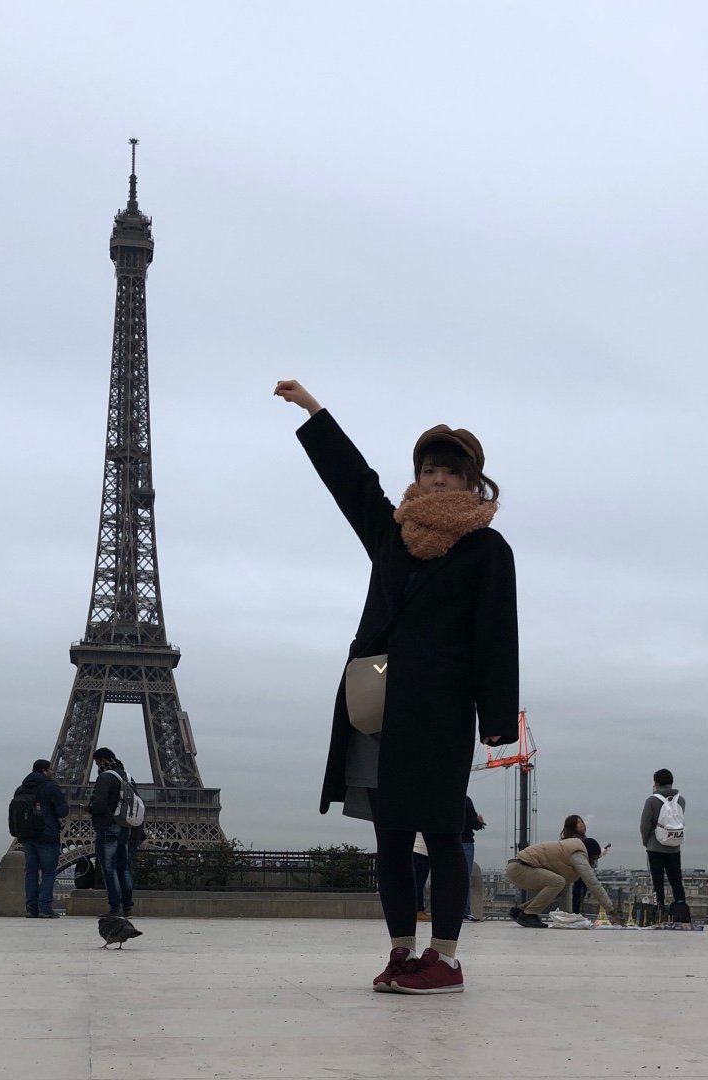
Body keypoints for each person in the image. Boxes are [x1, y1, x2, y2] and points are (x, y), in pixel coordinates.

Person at [275, 381, 519, 995]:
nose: (436, 480)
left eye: (449, 472)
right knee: (389, 841)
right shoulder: (392, 535)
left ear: (471, 481)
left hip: (439, 710)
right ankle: (401, 953)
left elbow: (497, 634)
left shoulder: (487, 549)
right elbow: (352, 483)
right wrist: (314, 411)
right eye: (428, 470)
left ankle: (447, 959)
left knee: (442, 834)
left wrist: (497, 718)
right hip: (377, 705)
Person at [505, 837, 617, 926]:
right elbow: (593, 883)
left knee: (559, 887)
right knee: (557, 882)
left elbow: (565, 892)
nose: (592, 863)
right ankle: (528, 914)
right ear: (589, 854)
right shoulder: (578, 855)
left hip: (518, 867)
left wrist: (569, 917)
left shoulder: (570, 852)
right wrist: (610, 909)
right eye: (593, 859)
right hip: (520, 868)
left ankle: (521, 911)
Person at [15, 759, 69, 918]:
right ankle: (45, 907)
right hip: (47, 834)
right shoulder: (50, 787)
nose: (53, 772)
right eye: (51, 769)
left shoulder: (21, 789)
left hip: (27, 835)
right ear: (45, 770)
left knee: (31, 872)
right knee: (48, 873)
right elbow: (62, 811)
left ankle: (31, 908)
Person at [88, 748, 134, 917]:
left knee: (109, 868)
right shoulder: (128, 777)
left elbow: (99, 805)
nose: (97, 766)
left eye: (97, 763)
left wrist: (90, 808)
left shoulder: (104, 777)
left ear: (102, 760)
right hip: (125, 826)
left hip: (108, 825)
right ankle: (127, 906)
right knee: (124, 868)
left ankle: (116, 907)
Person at [640, 768, 687, 919]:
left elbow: (645, 824)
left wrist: (646, 841)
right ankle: (681, 911)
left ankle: (658, 912)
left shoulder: (652, 800)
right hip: (674, 846)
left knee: (657, 882)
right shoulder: (680, 800)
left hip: (655, 846)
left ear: (656, 783)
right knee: (676, 880)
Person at [461, 796, 485, 921]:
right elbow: (474, 823)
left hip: (446, 842)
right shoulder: (465, 800)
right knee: (464, 877)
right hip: (465, 842)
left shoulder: (442, 798)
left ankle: (446, 910)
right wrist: (479, 822)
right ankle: (464, 911)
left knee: (447, 877)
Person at [560, 815, 588, 913]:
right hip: (577, 875)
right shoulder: (579, 842)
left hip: (573, 874)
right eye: (578, 823)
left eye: (581, 821)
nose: (581, 824)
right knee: (576, 900)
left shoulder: (566, 841)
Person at [412, 835, 430, 923]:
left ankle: (419, 910)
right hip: (419, 850)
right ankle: (418, 910)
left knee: (419, 883)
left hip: (423, 851)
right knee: (418, 883)